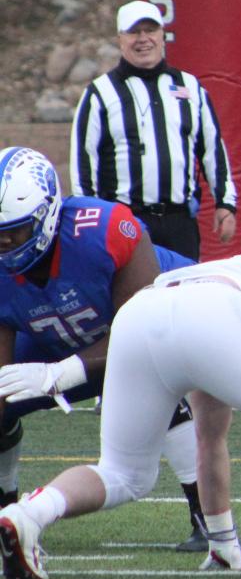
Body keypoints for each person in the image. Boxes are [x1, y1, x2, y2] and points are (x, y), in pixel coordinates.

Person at [0, 205, 241, 579]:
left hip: (144, 310)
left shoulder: (235, 267)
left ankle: (28, 514)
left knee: (123, 473)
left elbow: (209, 436)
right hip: (217, 314)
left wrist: (223, 543)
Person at [0, 146, 208, 552]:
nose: (4, 243)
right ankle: (6, 505)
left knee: (156, 374)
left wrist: (59, 374)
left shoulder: (103, 230)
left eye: (15, 230)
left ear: (46, 218)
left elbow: (140, 333)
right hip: (62, 335)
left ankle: (206, 512)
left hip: (159, 325)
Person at [70, 0, 237, 261]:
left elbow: (212, 149)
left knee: (184, 294)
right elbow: (84, 161)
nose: (143, 39)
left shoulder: (190, 87)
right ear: (120, 39)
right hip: (126, 219)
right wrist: (91, 219)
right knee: (133, 295)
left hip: (179, 219)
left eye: (150, 30)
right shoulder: (100, 93)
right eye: (134, 32)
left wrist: (225, 204)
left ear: (162, 36)